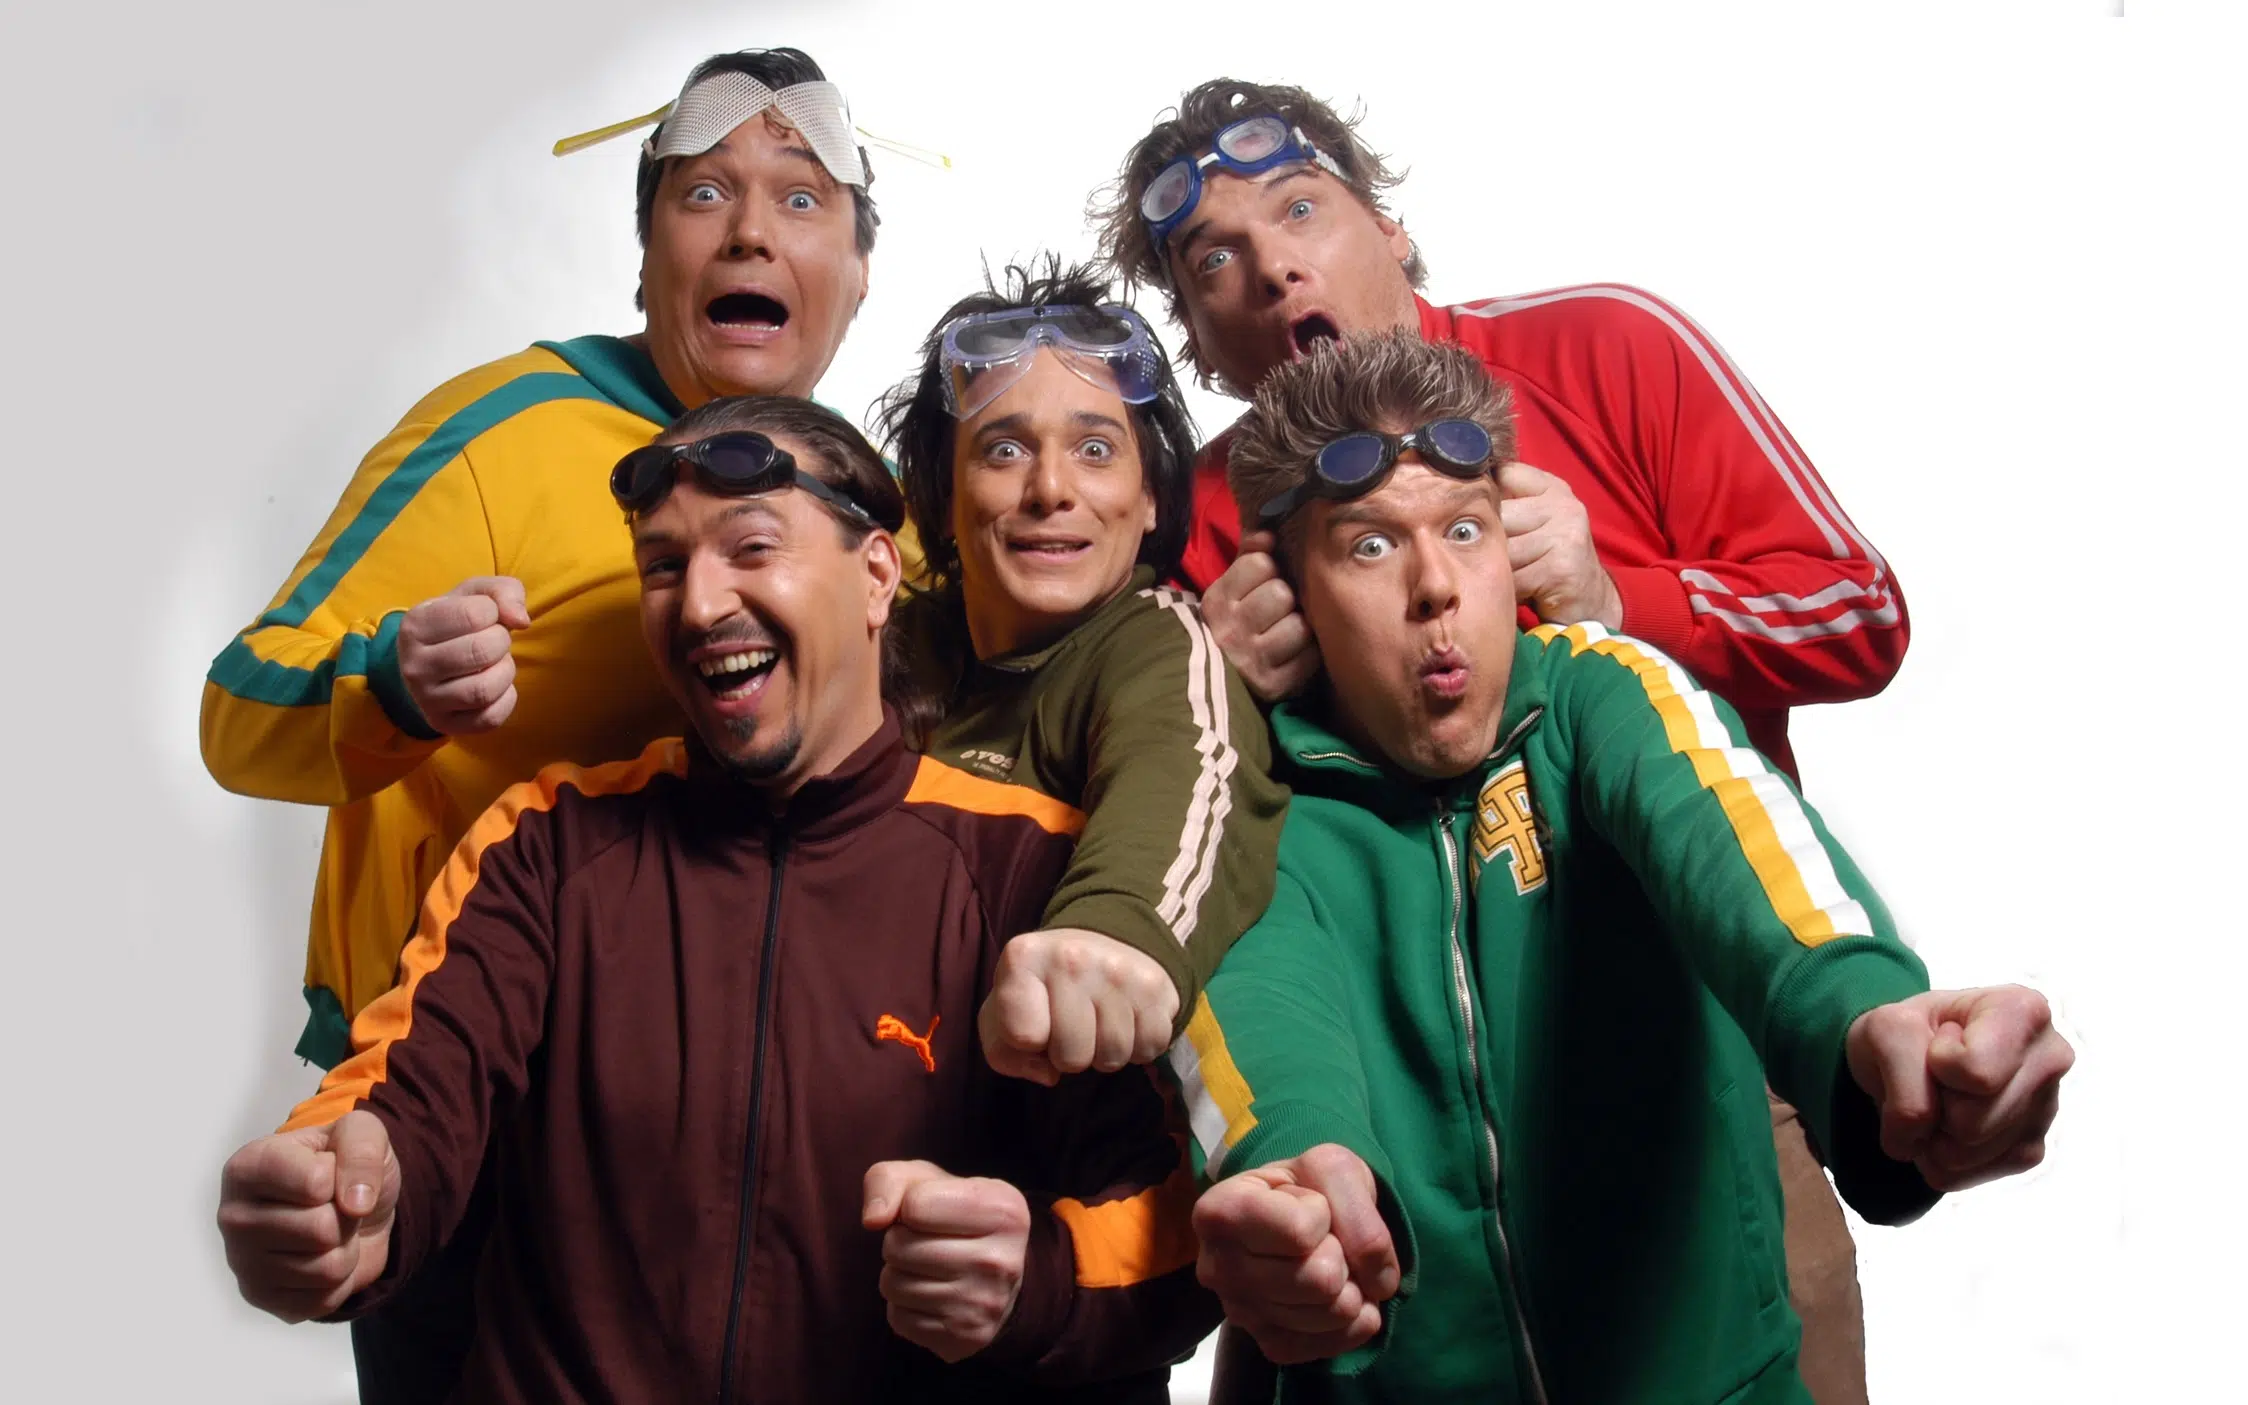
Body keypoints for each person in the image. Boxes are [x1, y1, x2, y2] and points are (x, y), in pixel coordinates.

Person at [1094, 78, 1906, 1399]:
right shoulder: (1184, 516)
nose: (1273, 266)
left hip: (1682, 1047)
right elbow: (1170, 845)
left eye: (1298, 209)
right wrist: (1203, 681)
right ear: (1197, 338)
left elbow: (1857, 612)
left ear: (1391, 230)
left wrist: (1621, 600)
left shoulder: (1609, 349)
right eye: (1212, 262)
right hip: (1358, 1097)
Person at [213, 397, 1215, 1403]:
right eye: (662, 565)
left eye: (752, 547)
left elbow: (1182, 1225)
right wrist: (346, 1193)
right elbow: (411, 1090)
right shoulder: (547, 842)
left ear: (876, 576)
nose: (697, 604)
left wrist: (1038, 1278)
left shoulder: (1030, 866)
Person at [1170, 332, 2072, 1403]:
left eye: (1465, 530)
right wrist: (1298, 1183)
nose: (1435, 587)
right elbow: (1262, 1003)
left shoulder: (1600, 692)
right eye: (1369, 546)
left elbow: (1734, 842)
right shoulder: (1245, 794)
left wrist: (1869, 1016)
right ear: (1287, 595)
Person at [197, 46, 890, 1398]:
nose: (751, 230)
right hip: (459, 1118)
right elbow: (241, 705)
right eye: (703, 193)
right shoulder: (500, 432)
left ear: (858, 273)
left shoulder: (869, 519)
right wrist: (394, 684)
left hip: (733, 1127)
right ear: (645, 255)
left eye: (803, 198)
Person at [877, 260, 1286, 1084]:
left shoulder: (1159, 646)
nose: (1051, 489)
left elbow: (1188, 777)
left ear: (1150, 498)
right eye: (1004, 449)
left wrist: (1112, 937)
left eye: (1095, 449)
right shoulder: (883, 638)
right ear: (944, 496)